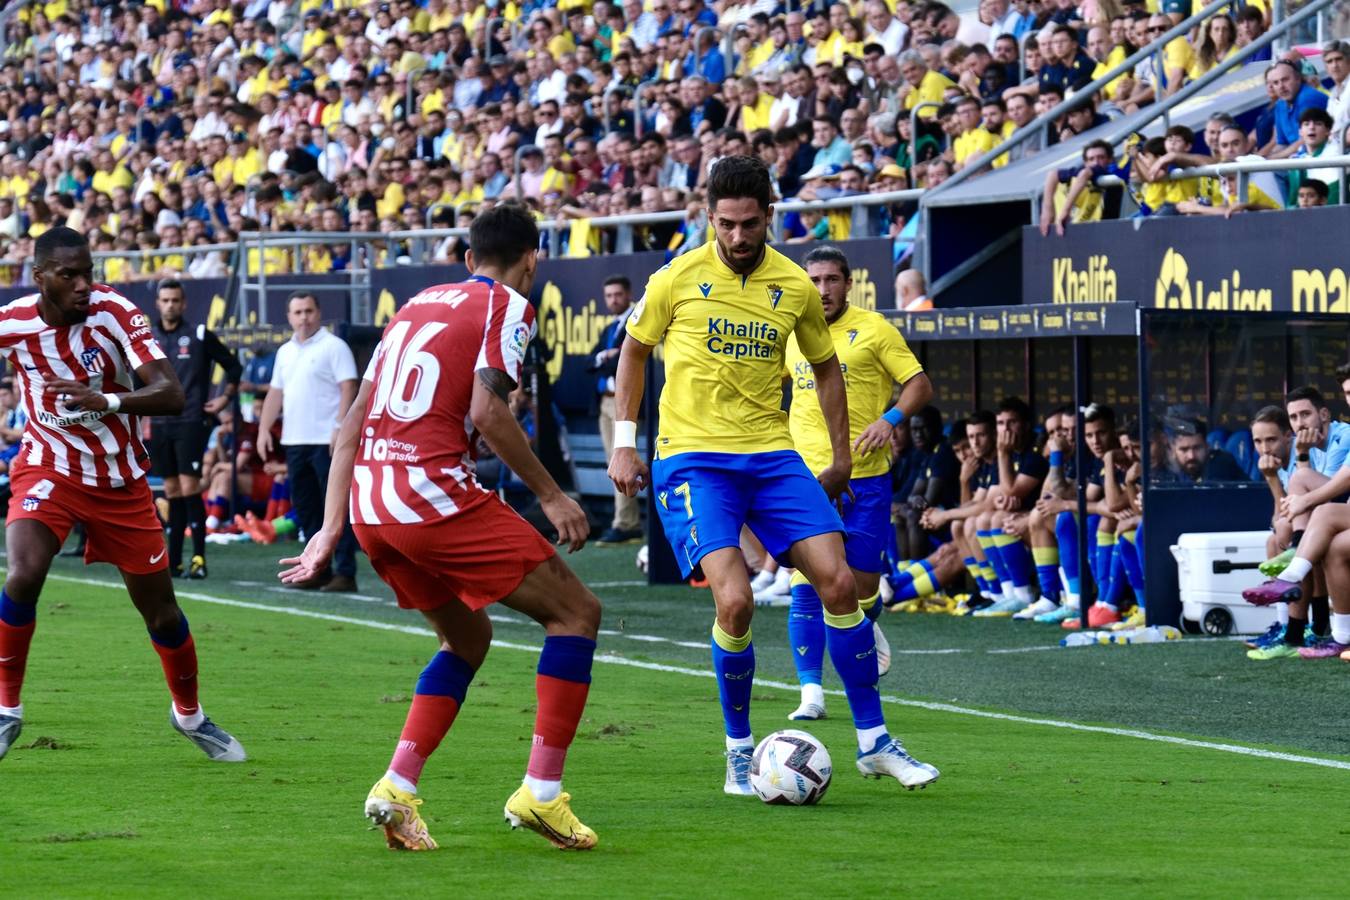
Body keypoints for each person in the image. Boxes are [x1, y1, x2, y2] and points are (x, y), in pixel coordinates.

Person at [608, 156, 940, 795]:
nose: (738, 237)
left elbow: (826, 368)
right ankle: (738, 750)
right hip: (694, 459)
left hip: (772, 456)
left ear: (769, 216)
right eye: (726, 224)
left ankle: (873, 742)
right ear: (709, 218)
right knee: (733, 602)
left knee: (840, 584)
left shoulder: (793, 285)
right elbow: (634, 351)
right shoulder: (676, 276)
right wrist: (626, 444)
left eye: (750, 224)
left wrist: (841, 457)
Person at [279, 203, 602, 852]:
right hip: (430, 498)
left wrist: (329, 527)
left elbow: (352, 425)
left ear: (466, 258)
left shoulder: (415, 306)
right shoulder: (508, 306)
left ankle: (396, 789)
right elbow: (487, 410)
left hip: (373, 505)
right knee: (576, 614)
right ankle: (541, 794)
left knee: (466, 638)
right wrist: (553, 494)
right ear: (531, 261)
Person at [0, 227, 244, 763]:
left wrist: (106, 399)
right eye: (69, 276)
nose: (84, 284)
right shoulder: (14, 323)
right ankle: (6, 710)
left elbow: (172, 392)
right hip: (50, 467)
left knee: (160, 612)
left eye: (89, 272)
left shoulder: (115, 312)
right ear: (39, 278)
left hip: (120, 481)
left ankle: (190, 716)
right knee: (22, 573)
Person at [782, 245, 933, 721]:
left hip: (866, 478)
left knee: (861, 589)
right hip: (809, 481)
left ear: (849, 284)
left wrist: (890, 419)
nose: (822, 289)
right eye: (814, 280)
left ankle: (866, 623)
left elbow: (919, 384)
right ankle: (811, 693)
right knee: (805, 583)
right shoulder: (790, 333)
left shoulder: (875, 329)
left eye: (831, 280)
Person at [257, 292, 361, 592]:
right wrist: (265, 428)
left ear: (319, 312)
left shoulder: (334, 346)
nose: (304, 317)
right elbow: (275, 393)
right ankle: (316, 570)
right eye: (298, 312)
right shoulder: (285, 352)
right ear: (289, 317)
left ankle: (345, 571)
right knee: (305, 507)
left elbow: (348, 387)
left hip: (326, 440)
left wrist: (340, 427)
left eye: (309, 311)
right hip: (295, 439)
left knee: (335, 508)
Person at [149, 279, 243, 579]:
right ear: (158, 304)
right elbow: (139, 380)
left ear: (184, 303)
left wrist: (224, 399)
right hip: (161, 423)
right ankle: (174, 561)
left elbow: (234, 367)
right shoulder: (148, 339)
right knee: (172, 490)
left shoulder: (199, 334)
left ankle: (199, 559)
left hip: (190, 421)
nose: (170, 305)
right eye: (165, 300)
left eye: (175, 300)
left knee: (189, 487)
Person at [590, 275, 643, 545]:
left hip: (624, 402)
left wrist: (608, 358)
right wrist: (604, 358)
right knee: (614, 463)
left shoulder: (636, 320)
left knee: (621, 461)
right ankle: (626, 521)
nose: (613, 300)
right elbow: (593, 358)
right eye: (609, 295)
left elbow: (623, 362)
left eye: (617, 295)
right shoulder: (609, 327)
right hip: (605, 401)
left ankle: (626, 523)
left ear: (628, 294)